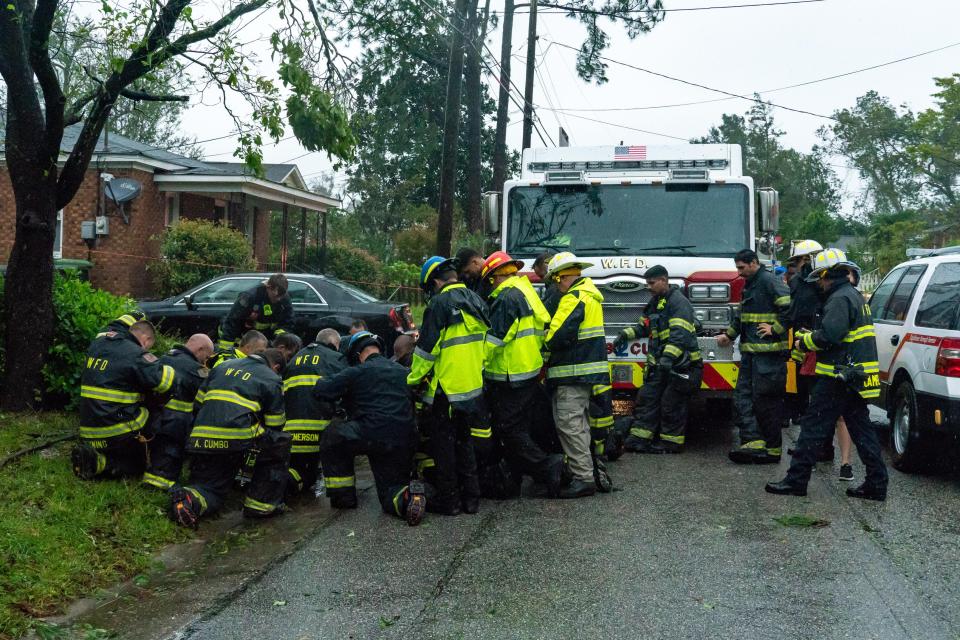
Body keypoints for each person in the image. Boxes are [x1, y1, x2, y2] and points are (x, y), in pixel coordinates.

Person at [766, 249, 888, 501]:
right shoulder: (853, 296)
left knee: (812, 428)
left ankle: (796, 481)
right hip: (853, 376)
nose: (818, 284)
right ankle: (877, 484)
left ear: (827, 275)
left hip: (837, 377)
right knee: (862, 431)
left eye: (819, 278)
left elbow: (831, 335)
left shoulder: (839, 299)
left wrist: (804, 341)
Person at [314, 331, 427, 525]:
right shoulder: (403, 372)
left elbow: (322, 390)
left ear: (357, 355)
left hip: (368, 435)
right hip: (402, 439)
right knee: (390, 492)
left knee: (332, 435)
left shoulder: (356, 372)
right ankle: (408, 496)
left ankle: (344, 498)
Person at [169, 349, 291, 527]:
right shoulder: (271, 378)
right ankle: (260, 505)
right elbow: (276, 424)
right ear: (276, 367)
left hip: (200, 437)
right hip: (235, 440)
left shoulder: (221, 367)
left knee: (210, 486)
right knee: (279, 442)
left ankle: (189, 498)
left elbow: (197, 404)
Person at [408, 256, 489, 515]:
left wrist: (411, 380)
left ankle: (451, 503)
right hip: (472, 387)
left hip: (446, 391)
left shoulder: (439, 304)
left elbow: (426, 351)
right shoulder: (477, 300)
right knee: (465, 444)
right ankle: (472, 500)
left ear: (434, 282)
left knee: (444, 449)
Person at [481, 251, 564, 496]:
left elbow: (493, 341)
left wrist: (476, 366)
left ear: (495, 277)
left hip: (510, 377)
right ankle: (513, 480)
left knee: (509, 431)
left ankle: (549, 467)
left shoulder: (506, 298)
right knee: (521, 429)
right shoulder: (527, 292)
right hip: (527, 372)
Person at [543, 252, 610, 499]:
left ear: (563, 276)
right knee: (579, 425)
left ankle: (583, 478)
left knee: (570, 425)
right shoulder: (589, 295)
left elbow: (555, 336)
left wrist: (543, 336)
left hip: (572, 373)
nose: (555, 285)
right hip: (583, 373)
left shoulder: (574, 298)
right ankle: (583, 472)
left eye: (555, 279)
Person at [72, 321, 176, 480]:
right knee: (157, 416)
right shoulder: (135, 353)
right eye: (148, 346)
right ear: (146, 339)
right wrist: (169, 366)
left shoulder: (98, 344)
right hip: (116, 434)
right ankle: (109, 463)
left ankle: (97, 459)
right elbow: (166, 383)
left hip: (88, 431)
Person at [616, 265, 703, 454]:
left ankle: (671, 443)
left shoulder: (679, 303)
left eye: (652, 283)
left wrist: (667, 358)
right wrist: (625, 334)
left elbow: (679, 335)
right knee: (647, 399)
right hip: (661, 364)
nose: (648, 287)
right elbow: (644, 327)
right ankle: (638, 439)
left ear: (664, 280)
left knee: (671, 404)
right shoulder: (655, 302)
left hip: (681, 365)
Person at [720, 249, 792, 464]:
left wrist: (775, 329)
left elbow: (790, 307)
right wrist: (729, 335)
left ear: (753, 263)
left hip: (769, 357)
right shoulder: (750, 284)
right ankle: (753, 444)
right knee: (744, 398)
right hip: (752, 355)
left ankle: (771, 451)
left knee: (766, 403)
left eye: (741, 267)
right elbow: (743, 315)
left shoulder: (770, 281)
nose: (739, 272)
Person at [142, 334, 214, 490]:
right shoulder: (198, 371)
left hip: (147, 420)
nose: (205, 361)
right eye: (206, 357)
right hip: (173, 426)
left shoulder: (162, 357)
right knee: (167, 462)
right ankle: (158, 484)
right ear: (200, 349)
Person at [283, 328, 347, 495]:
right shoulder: (336, 358)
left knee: (299, 469)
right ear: (334, 344)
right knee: (315, 472)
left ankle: (277, 485)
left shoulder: (294, 359)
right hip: (322, 430)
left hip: (292, 433)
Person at [217, 273, 295, 349]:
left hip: (263, 341)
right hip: (242, 337)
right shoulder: (249, 297)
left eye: (281, 296)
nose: (278, 299)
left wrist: (277, 339)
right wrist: (226, 350)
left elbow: (288, 322)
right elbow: (232, 322)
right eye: (275, 296)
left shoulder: (284, 298)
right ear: (268, 287)